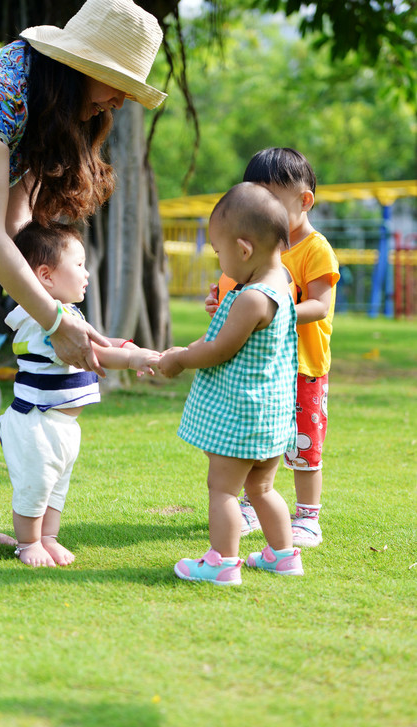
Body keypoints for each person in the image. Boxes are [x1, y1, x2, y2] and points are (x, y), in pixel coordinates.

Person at [0, 0, 167, 557]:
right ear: (79, 67)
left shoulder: (38, 107)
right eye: (115, 83)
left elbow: (16, 226)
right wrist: (53, 321)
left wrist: (68, 314)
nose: (120, 99)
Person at [159, 182, 302, 586]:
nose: (220, 262)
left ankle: (222, 563)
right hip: (271, 414)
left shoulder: (252, 298)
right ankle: (284, 555)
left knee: (223, 490)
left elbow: (219, 349)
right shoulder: (282, 283)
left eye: (219, 252)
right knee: (263, 486)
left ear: (243, 249)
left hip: (242, 414)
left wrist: (180, 359)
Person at [0, 220, 161, 567]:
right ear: (46, 276)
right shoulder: (41, 321)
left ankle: (48, 538)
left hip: (61, 425)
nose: (87, 274)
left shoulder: (64, 315)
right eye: (79, 265)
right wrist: (130, 358)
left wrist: (133, 348)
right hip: (36, 424)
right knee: (36, 487)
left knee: (56, 488)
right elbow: (96, 354)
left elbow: (99, 342)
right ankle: (28, 543)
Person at [207, 148, 339, 547]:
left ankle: (308, 517)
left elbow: (319, 306)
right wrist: (220, 305)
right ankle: (250, 505)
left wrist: (274, 312)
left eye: (272, 203)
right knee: (256, 439)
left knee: (303, 446)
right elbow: (234, 294)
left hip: (302, 366)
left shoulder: (315, 249)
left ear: (304, 201)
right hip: (260, 368)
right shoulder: (256, 248)